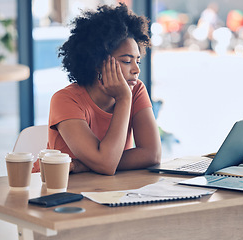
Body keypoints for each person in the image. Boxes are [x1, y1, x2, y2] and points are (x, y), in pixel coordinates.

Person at [32, 3, 161, 175]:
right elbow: (106, 164)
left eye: (137, 61)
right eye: (126, 61)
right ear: (98, 63)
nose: (136, 70)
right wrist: (124, 99)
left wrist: (83, 165)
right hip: (56, 192)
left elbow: (152, 155)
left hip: (107, 191)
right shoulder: (65, 100)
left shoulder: (136, 90)